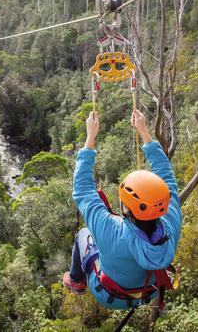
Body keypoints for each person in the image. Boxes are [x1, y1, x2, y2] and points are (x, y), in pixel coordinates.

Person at [61, 109, 182, 310]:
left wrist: (90, 137)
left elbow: (82, 189)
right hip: (149, 292)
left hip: (109, 295)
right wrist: (144, 131)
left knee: (83, 234)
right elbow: (167, 177)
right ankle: (78, 280)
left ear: (125, 207)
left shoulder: (112, 230)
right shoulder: (171, 219)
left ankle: (76, 281)